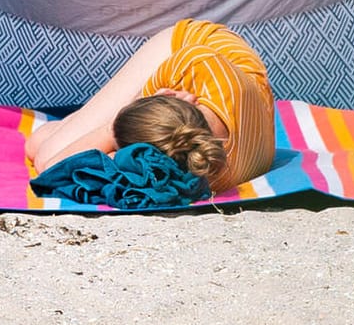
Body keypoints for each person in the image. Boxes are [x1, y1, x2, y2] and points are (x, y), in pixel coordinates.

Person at [25, 18, 275, 194]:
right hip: (189, 47)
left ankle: (77, 121)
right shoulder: (192, 65)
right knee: (44, 146)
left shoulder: (204, 172)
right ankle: (78, 120)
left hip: (222, 92)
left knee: (41, 149)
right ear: (172, 95)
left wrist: (110, 131)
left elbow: (51, 168)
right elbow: (54, 169)